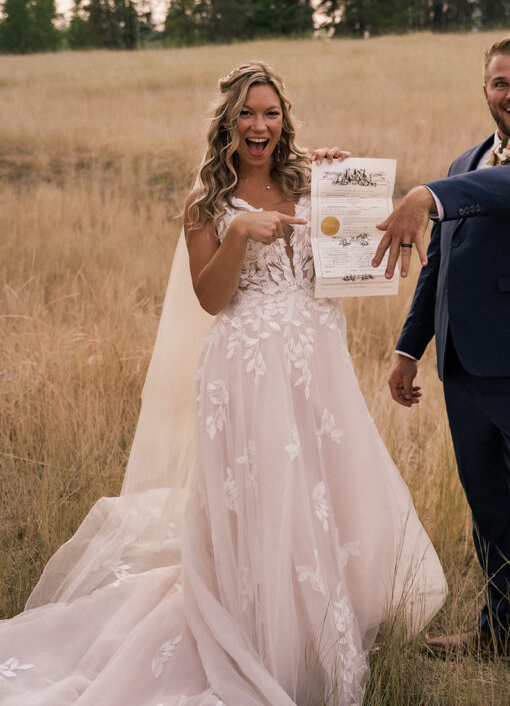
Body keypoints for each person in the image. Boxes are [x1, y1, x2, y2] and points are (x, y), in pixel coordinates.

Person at [0, 62, 446, 706]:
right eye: (247, 114)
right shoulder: (206, 204)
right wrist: (238, 231)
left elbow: (351, 269)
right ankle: (256, 628)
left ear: (284, 120)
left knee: (324, 489)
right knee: (264, 495)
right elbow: (210, 299)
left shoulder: (311, 183)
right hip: (247, 370)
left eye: (270, 114)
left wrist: (346, 187)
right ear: (228, 124)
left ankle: (324, 622)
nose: (260, 125)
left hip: (317, 363)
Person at [372, 37, 510, 706]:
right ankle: (498, 632)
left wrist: (428, 194)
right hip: (463, 372)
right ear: (485, 92)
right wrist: (410, 346)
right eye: (499, 83)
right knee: (490, 515)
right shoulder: (462, 162)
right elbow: (439, 268)